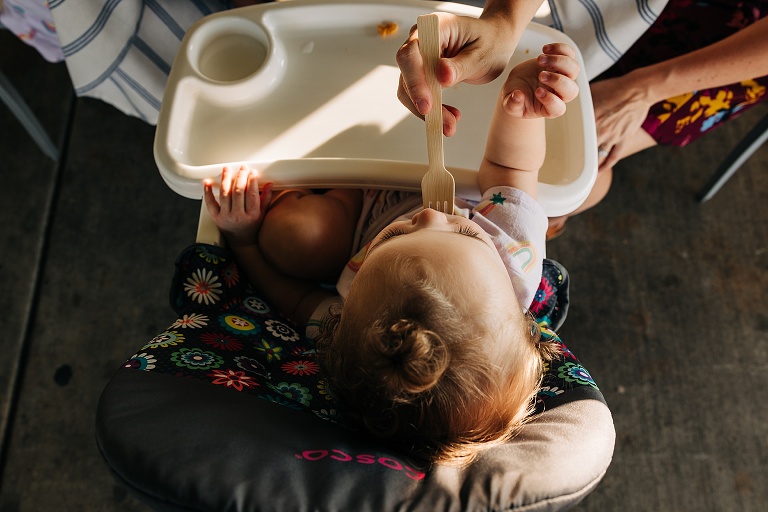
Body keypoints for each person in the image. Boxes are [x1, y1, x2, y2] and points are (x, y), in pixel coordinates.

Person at [202, 42, 580, 465]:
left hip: (362, 217)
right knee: (586, 186)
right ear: (515, 303)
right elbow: (509, 169)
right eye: (467, 234)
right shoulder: (515, 254)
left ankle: (337, 179)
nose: (431, 216)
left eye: (394, 240)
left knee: (295, 238)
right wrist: (521, 109)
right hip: (454, 166)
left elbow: (293, 297)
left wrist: (245, 238)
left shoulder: (358, 329)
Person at [397, 0, 768, 237]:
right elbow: (507, 169)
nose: (430, 218)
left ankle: (544, 223)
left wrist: (645, 88)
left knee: (578, 176)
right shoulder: (508, 274)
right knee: (574, 183)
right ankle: (537, 228)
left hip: (735, 49)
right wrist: (503, 22)